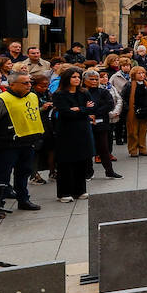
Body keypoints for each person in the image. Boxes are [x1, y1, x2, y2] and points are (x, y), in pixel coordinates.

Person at [0, 71, 44, 217]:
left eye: (30, 82)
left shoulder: (32, 96)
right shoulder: (1, 100)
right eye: (25, 83)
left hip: (27, 142)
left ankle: (23, 200)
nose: (29, 85)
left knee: (24, 173)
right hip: (7, 145)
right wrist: (3, 134)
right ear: (12, 84)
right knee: (3, 176)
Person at [51, 67, 94, 202]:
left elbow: (92, 109)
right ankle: (64, 193)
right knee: (66, 163)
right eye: (74, 77)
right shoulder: (59, 94)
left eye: (78, 77)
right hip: (66, 131)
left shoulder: (84, 92)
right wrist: (83, 110)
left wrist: (79, 109)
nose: (77, 79)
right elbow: (66, 113)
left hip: (83, 130)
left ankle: (80, 190)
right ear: (67, 78)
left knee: (82, 161)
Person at [83, 70, 123, 179]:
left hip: (101, 123)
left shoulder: (103, 92)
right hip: (85, 124)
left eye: (96, 79)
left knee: (104, 148)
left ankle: (109, 171)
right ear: (85, 80)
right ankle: (88, 172)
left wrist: (95, 113)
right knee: (87, 149)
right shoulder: (81, 92)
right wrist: (88, 113)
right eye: (91, 79)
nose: (94, 81)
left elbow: (109, 104)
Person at [120, 65, 147, 157]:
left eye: (143, 73)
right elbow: (123, 98)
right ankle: (133, 149)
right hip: (133, 111)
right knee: (133, 131)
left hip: (145, 110)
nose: (142, 75)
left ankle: (142, 148)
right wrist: (128, 108)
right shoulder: (129, 85)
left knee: (143, 131)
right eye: (139, 73)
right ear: (133, 75)